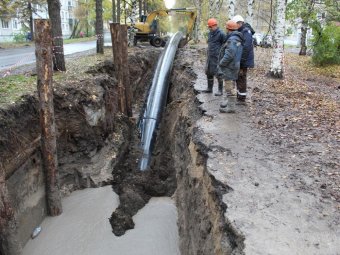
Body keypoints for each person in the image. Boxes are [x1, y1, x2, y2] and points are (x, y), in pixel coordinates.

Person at [216, 20, 244, 113]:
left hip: (230, 66)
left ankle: (231, 108)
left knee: (229, 86)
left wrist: (221, 63)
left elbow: (229, 54)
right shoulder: (237, 38)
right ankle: (229, 103)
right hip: (234, 65)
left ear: (228, 29)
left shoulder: (232, 40)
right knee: (230, 84)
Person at [231, 15, 255, 103]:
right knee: (238, 77)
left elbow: (246, 47)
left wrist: (241, 61)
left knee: (241, 77)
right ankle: (239, 96)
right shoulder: (241, 31)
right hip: (240, 58)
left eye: (235, 24)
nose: (234, 26)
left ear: (239, 23)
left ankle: (241, 99)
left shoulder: (246, 32)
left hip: (244, 59)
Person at [204, 18, 226, 96]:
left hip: (217, 57)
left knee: (218, 73)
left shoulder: (221, 34)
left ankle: (220, 90)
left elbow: (225, 45)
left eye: (210, 27)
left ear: (215, 26)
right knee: (208, 72)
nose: (209, 28)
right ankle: (209, 88)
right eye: (209, 27)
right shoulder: (210, 33)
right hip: (210, 56)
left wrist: (222, 55)